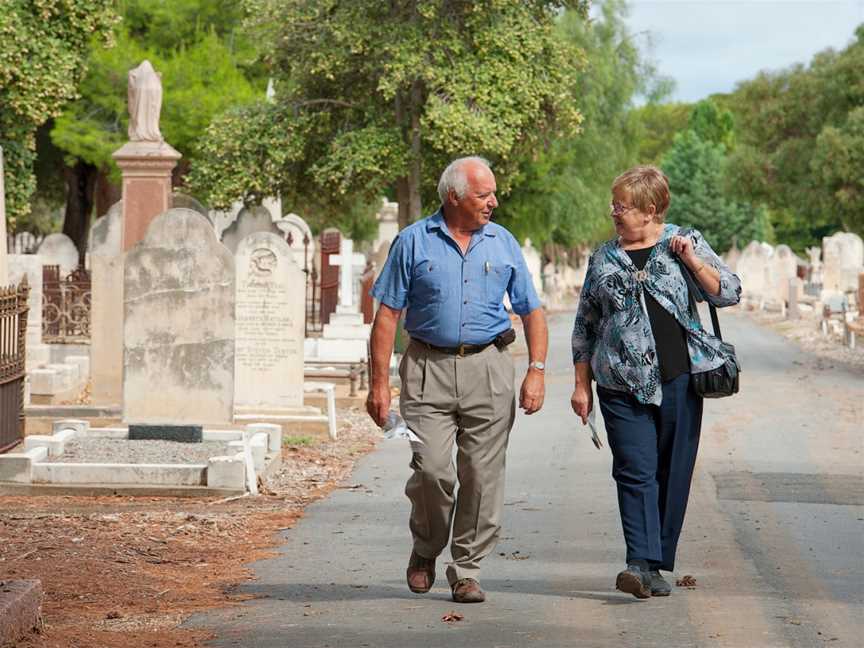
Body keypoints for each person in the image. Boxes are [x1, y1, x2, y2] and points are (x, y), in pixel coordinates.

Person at [367, 156, 548, 604]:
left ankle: (466, 567)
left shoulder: (503, 243)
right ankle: (426, 547)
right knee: (431, 470)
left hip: (488, 367)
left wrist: (536, 371)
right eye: (483, 194)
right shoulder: (411, 242)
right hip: (426, 368)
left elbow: (531, 311)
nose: (494, 201)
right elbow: (387, 315)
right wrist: (378, 385)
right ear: (453, 197)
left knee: (482, 474)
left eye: (492, 192)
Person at [570, 165, 741, 599]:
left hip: (681, 380)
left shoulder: (684, 243)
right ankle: (638, 563)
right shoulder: (604, 258)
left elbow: (729, 291)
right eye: (613, 204)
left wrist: (692, 261)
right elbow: (585, 325)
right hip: (619, 383)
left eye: (621, 206)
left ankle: (657, 563)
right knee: (634, 470)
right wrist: (580, 384)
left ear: (649, 211)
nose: (613, 212)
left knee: (672, 471)